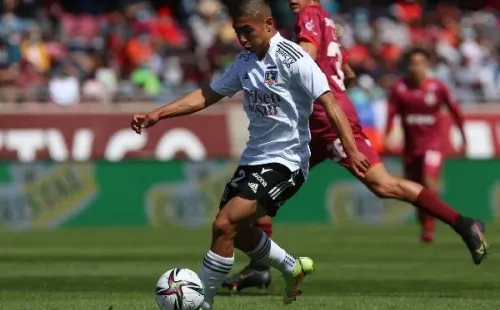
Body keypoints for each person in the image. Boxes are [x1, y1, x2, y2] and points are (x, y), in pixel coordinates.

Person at [222, 0, 488, 292]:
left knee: (383, 184)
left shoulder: (310, 15)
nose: (292, 1)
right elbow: (347, 72)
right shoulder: (325, 19)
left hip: (326, 122)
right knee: (266, 190)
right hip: (314, 122)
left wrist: (271, 69)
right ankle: (259, 269)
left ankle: (464, 223)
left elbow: (305, 56)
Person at [131, 0, 371, 308]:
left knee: (223, 225)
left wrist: (351, 151)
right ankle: (291, 267)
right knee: (238, 232)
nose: (242, 39)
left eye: (248, 31)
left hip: (288, 162)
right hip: (253, 159)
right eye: (237, 32)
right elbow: (207, 94)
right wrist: (158, 114)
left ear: (269, 25)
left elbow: (331, 103)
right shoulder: (245, 61)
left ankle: (202, 301)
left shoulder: (293, 58)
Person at [384, 48, 468, 243]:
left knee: (429, 180)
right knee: (416, 188)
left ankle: (434, 222)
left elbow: (456, 111)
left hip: (434, 144)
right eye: (413, 63)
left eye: (420, 63)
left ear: (427, 65)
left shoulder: (438, 87)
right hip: (411, 147)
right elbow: (391, 114)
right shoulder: (400, 88)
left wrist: (463, 138)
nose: (416, 67)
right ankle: (426, 225)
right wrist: (387, 136)